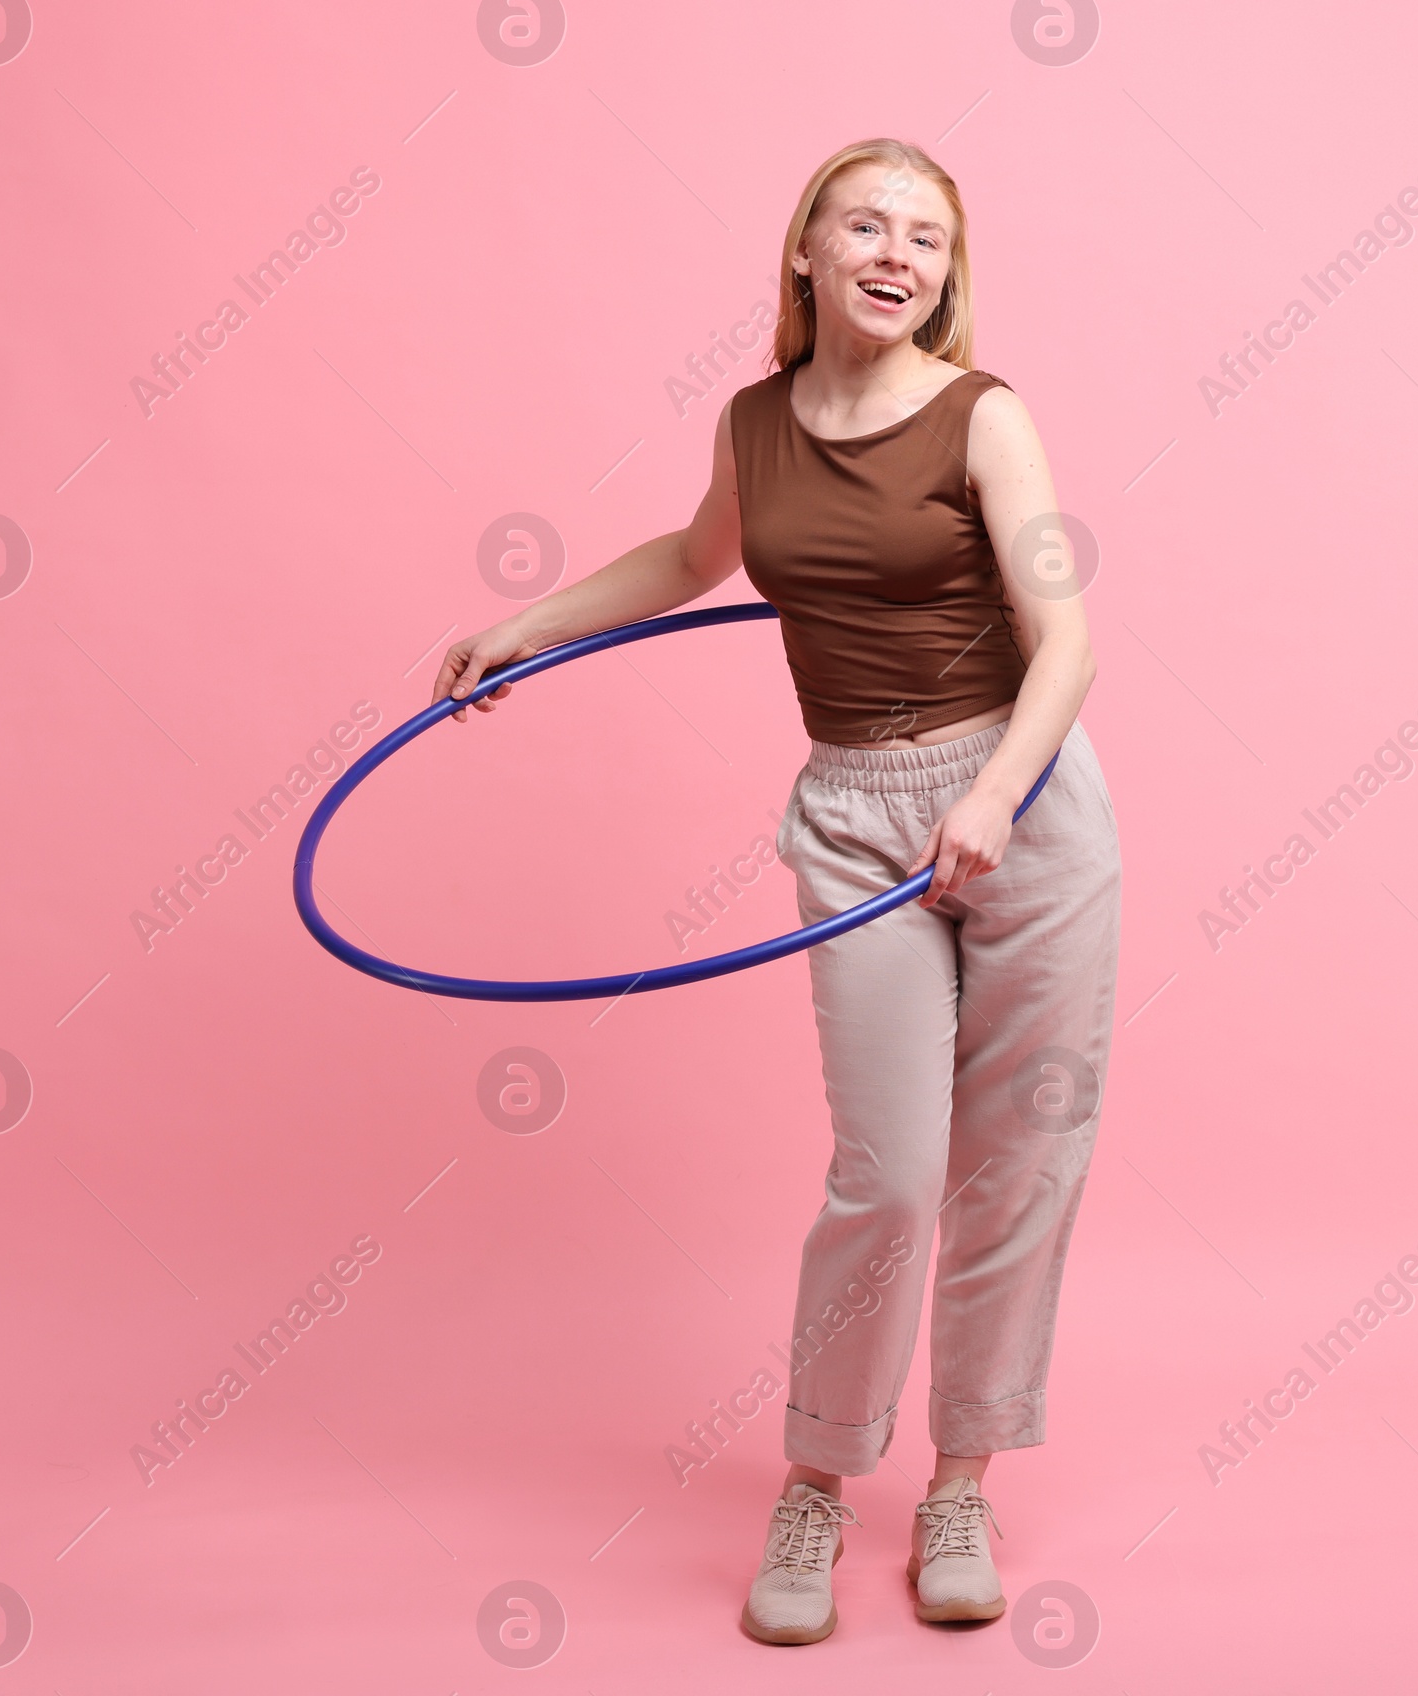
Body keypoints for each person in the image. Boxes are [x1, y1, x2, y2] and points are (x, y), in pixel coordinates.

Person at [431, 138, 1121, 1645]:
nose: (896, 252)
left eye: (926, 237)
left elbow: (1062, 641)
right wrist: (524, 629)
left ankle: (959, 1484)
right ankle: (817, 1480)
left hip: (1025, 806)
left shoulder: (986, 420)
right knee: (887, 1169)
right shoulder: (757, 422)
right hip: (855, 820)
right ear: (806, 248)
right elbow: (692, 559)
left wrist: (997, 796)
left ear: (948, 275)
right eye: (864, 223)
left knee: (1018, 1160)